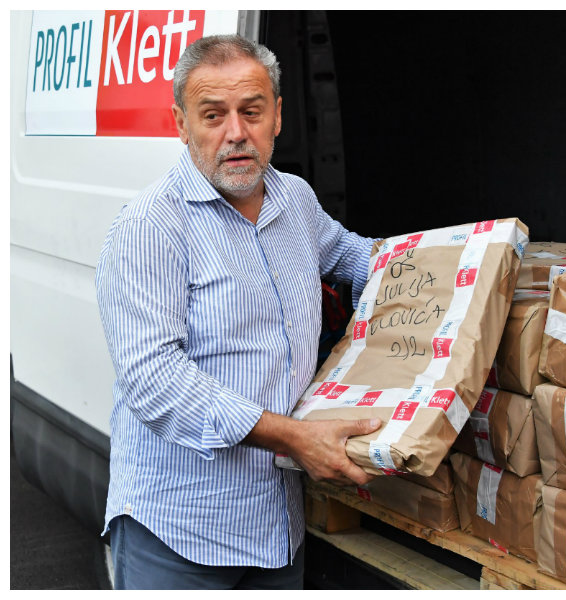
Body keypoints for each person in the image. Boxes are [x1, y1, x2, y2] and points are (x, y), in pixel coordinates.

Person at [95, 35, 383, 589]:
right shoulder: (149, 227)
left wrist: (467, 265)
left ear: (277, 116)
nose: (236, 133)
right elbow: (154, 380)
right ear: (181, 124)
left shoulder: (294, 200)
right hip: (179, 538)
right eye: (213, 115)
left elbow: (355, 256)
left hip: (277, 535)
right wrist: (292, 438)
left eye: (251, 111)